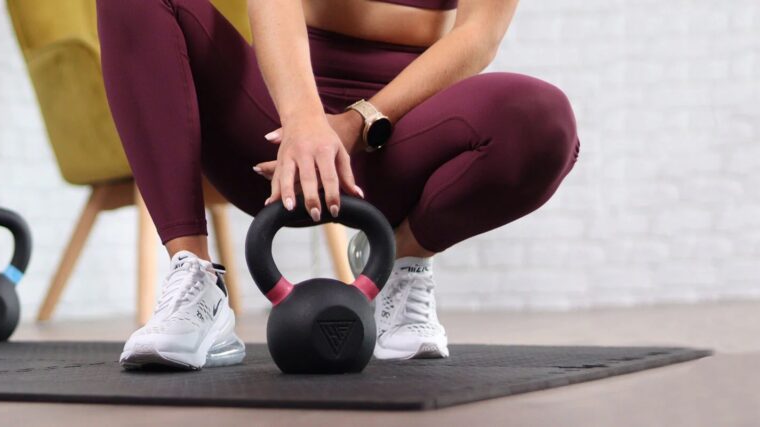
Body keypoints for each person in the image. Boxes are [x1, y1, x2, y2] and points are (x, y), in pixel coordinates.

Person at [97, 0, 579, 370]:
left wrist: (356, 124)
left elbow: (480, 34)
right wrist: (304, 120)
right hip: (276, 134)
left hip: (402, 138)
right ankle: (196, 281)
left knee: (543, 118)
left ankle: (399, 263)